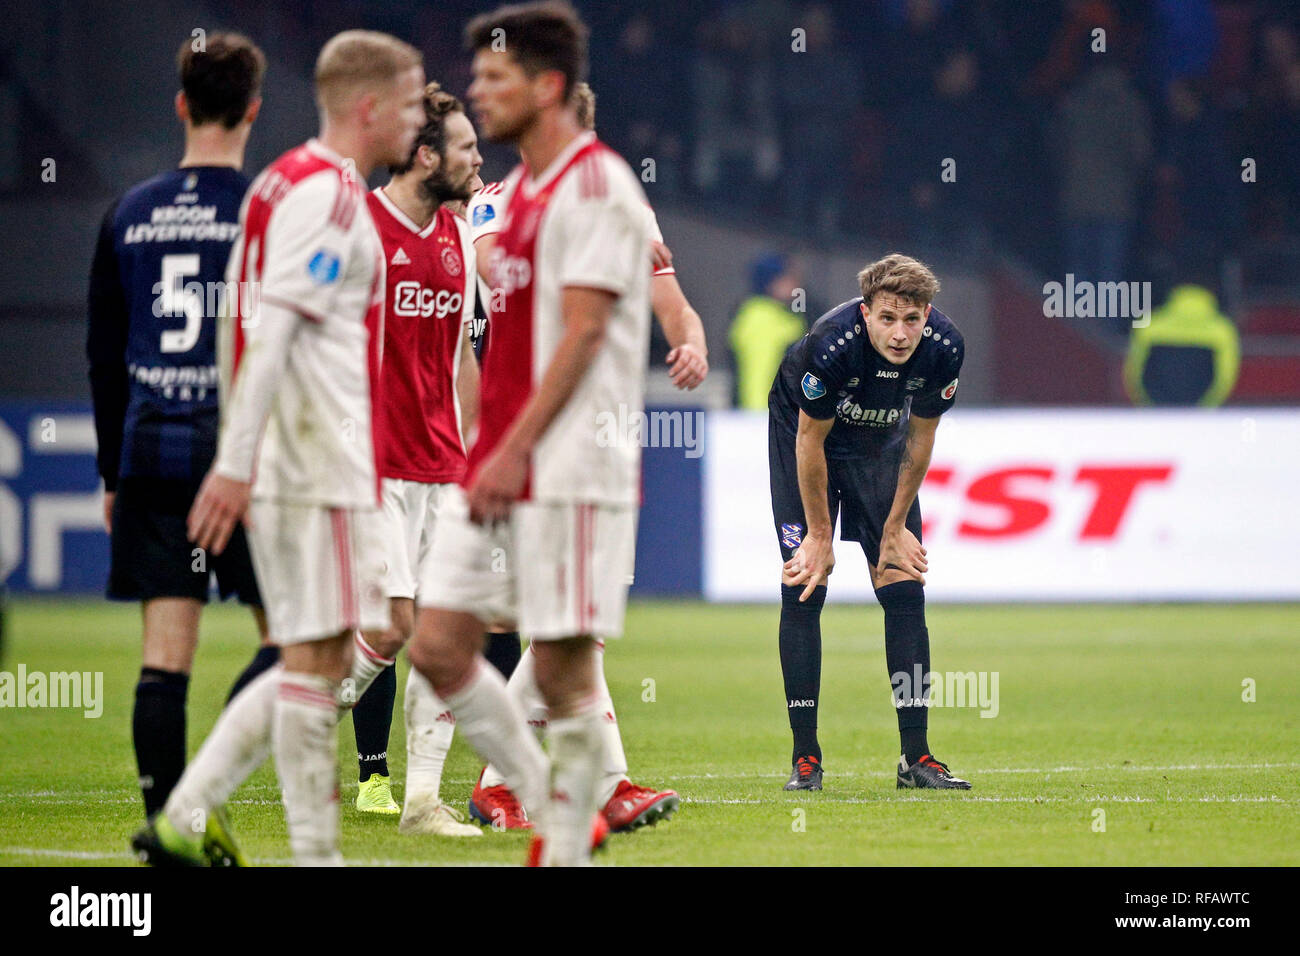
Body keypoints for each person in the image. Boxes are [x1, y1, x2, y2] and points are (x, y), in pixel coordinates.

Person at [132, 30, 427, 867]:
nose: (419, 117)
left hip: (299, 460)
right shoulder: (332, 198)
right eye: (409, 100)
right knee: (315, 656)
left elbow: (240, 318)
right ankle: (308, 853)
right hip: (316, 462)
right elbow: (281, 324)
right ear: (368, 106)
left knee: (320, 653)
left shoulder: (278, 183)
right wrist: (237, 459)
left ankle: (186, 819)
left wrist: (242, 450)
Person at [404, 0, 652, 865]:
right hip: (505, 459)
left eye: (494, 77)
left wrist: (508, 449)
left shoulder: (594, 186)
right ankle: (555, 809)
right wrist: (482, 440)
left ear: (547, 87)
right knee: (437, 643)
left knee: (563, 664)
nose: (477, 92)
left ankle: (563, 836)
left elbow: (585, 334)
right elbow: (489, 340)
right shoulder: (517, 198)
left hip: (573, 464)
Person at [461, 79, 701, 832]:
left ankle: (560, 787)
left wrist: (688, 340)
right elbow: (511, 282)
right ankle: (517, 783)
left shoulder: (619, 204)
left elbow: (673, 304)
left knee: (570, 626)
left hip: (589, 437)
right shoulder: (494, 205)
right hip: (513, 436)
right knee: (456, 630)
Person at [86, 32, 278, 826]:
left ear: (180, 105)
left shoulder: (129, 213)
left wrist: (109, 474)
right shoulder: (264, 212)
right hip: (244, 460)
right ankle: (194, 806)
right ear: (254, 111)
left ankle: (166, 818)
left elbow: (103, 356)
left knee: (164, 661)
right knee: (302, 647)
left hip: (152, 455)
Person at [770, 254, 972, 792]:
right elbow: (811, 442)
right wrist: (819, 536)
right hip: (804, 438)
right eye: (888, 318)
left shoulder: (944, 349)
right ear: (866, 313)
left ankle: (916, 758)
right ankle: (805, 757)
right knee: (805, 584)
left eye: (912, 319)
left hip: (880, 448)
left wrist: (895, 525)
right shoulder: (831, 344)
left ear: (927, 314)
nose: (901, 334)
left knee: (904, 586)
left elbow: (922, 440)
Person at [344, 81, 482, 836]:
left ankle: (422, 801)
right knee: (393, 625)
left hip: (442, 468)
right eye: (464, 147)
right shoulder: (358, 228)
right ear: (425, 154)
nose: (476, 159)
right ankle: (297, 703)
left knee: (440, 636)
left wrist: (476, 451)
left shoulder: (460, 239)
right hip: (371, 465)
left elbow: (462, 352)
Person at [1124, 283, 1239, 406]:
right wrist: (1207, 408)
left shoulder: (1149, 324)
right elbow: (1225, 375)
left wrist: (1147, 407)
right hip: (1199, 410)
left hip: (1156, 407)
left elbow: (1134, 370)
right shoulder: (1222, 328)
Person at [730, 253, 805, 409]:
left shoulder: (780, 316)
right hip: (761, 418)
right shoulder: (759, 317)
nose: (796, 283)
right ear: (772, 282)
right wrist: (761, 420)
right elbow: (757, 376)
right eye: (789, 277)